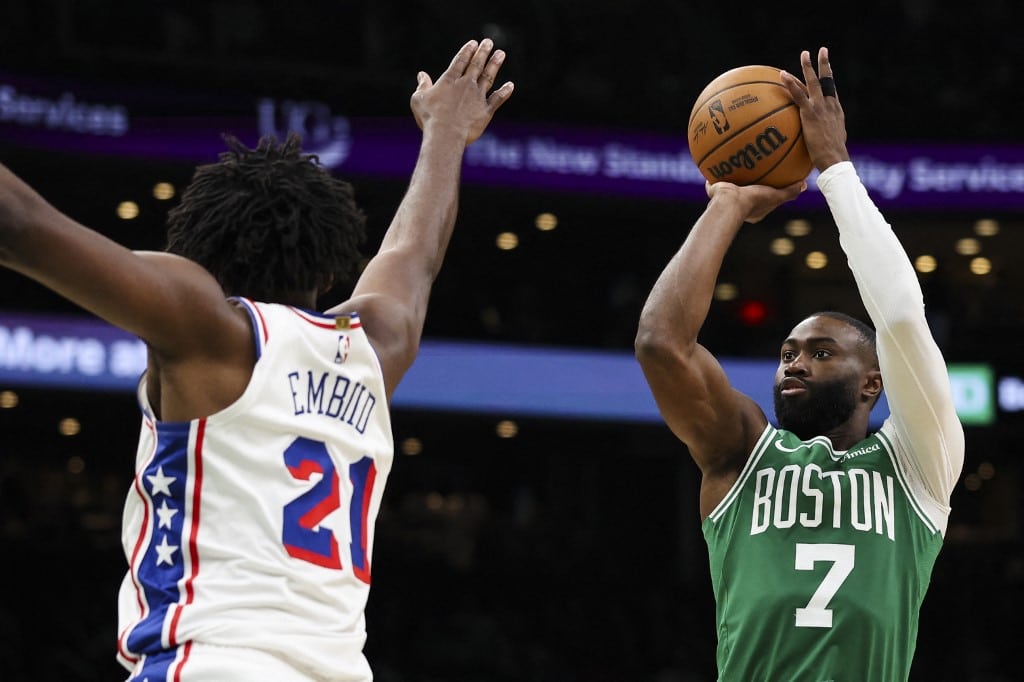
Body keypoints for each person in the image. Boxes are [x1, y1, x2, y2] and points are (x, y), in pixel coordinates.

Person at [0, 38, 513, 681]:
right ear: (329, 269)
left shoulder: (206, 326)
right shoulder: (375, 349)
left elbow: (18, 224)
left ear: (197, 258)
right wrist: (444, 133)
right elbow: (415, 255)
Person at [635, 47, 964, 680]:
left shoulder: (920, 464)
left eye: (820, 352)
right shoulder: (740, 455)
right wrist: (726, 204)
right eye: (787, 353)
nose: (794, 364)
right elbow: (660, 343)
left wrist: (836, 169)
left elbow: (898, 318)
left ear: (875, 382)